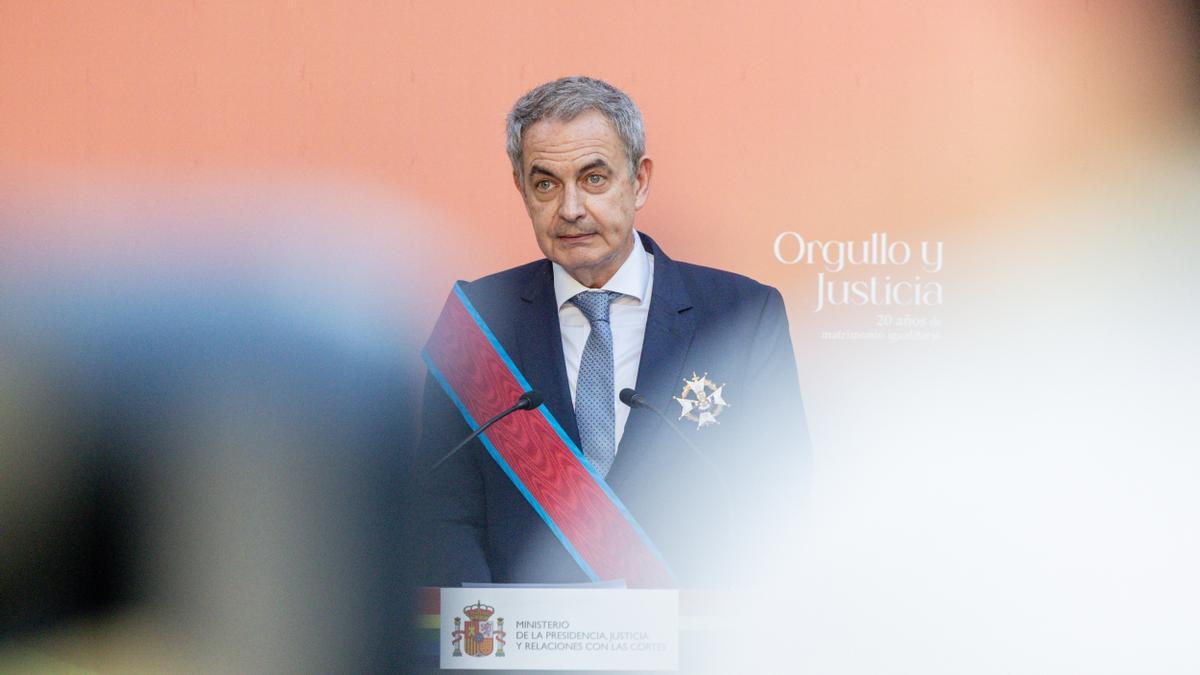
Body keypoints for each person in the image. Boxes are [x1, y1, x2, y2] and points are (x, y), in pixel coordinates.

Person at [416, 76, 809, 588]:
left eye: (594, 178)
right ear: (522, 190)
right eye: (546, 184)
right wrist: (487, 645)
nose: (571, 208)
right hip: (524, 657)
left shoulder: (740, 316)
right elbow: (445, 514)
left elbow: (782, 504)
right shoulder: (479, 321)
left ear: (639, 181)